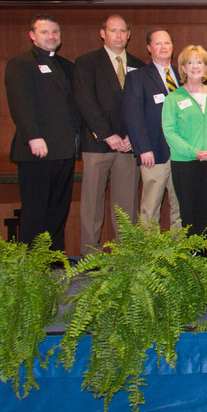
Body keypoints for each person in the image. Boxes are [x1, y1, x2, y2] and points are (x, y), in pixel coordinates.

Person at [4, 14, 81, 256]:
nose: (51, 36)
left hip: (64, 150)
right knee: (35, 209)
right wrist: (33, 136)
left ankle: (54, 258)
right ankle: (31, 263)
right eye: (45, 32)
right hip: (37, 150)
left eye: (55, 32)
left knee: (58, 209)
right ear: (32, 36)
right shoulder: (21, 64)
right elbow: (20, 104)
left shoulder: (67, 66)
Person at [74, 14, 145, 253]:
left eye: (123, 31)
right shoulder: (87, 62)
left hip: (128, 145)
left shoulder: (139, 65)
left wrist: (129, 137)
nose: (118, 35)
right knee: (93, 202)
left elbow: (140, 106)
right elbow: (86, 102)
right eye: (113, 30)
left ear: (129, 34)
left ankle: (127, 254)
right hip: (98, 144)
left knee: (127, 203)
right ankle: (90, 253)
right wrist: (107, 134)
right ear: (103, 33)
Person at [162, 46, 207, 237]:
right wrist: (194, 152)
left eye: (199, 62)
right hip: (184, 162)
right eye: (190, 62)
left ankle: (205, 255)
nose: (195, 66)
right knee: (188, 212)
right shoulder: (173, 98)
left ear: (206, 67)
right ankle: (191, 258)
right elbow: (169, 131)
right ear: (182, 68)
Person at [123, 28, 182, 229]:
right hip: (153, 153)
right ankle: (150, 256)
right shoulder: (137, 77)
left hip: (181, 153)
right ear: (149, 48)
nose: (163, 47)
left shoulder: (183, 76)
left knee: (180, 208)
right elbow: (133, 117)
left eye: (167, 43)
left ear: (173, 46)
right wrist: (142, 149)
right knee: (150, 208)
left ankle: (180, 254)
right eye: (158, 43)